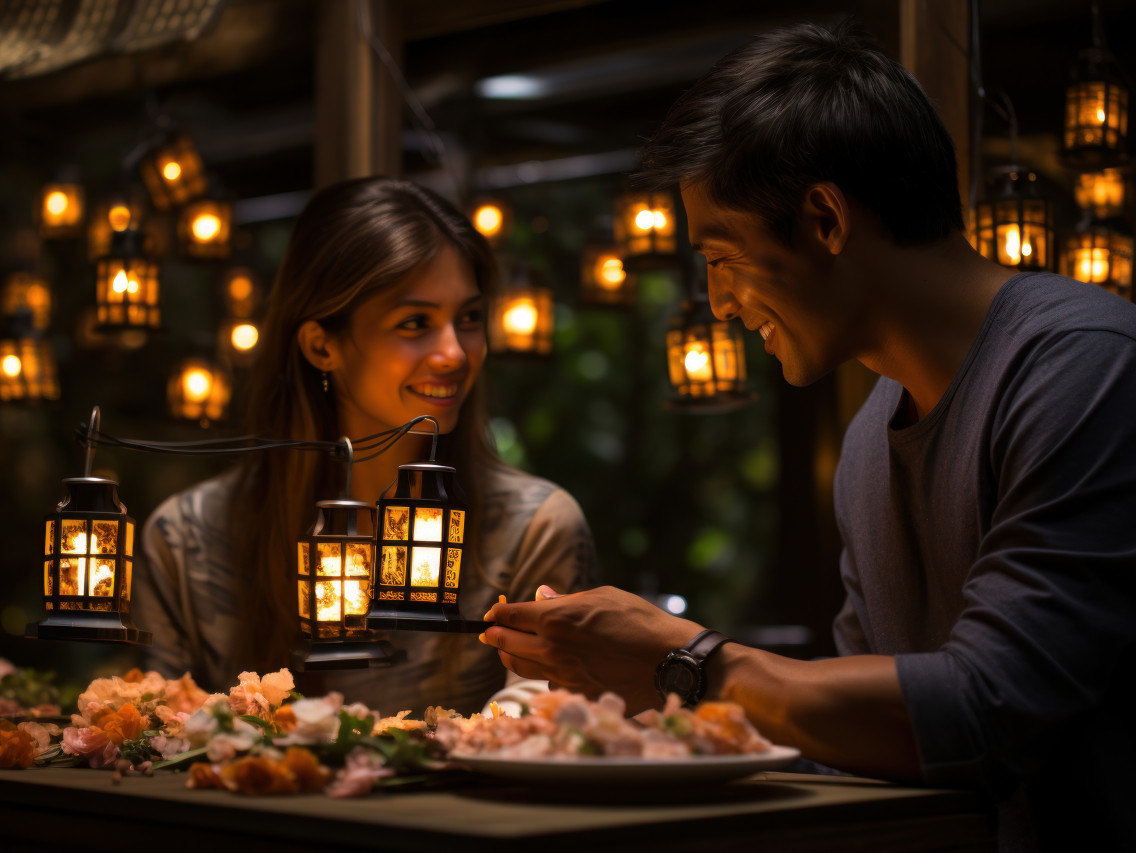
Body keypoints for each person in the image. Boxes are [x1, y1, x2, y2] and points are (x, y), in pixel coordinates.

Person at [481, 21, 1136, 851]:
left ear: (825, 219)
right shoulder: (871, 436)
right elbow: (867, 751)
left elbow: (986, 712)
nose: (717, 302)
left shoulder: (1083, 366)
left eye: (722, 256)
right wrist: (634, 706)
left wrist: (686, 660)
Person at [135, 176, 596, 716]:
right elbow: (150, 739)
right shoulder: (186, 540)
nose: (456, 353)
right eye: (415, 323)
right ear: (321, 345)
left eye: (469, 318)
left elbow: (539, 727)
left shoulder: (534, 531)